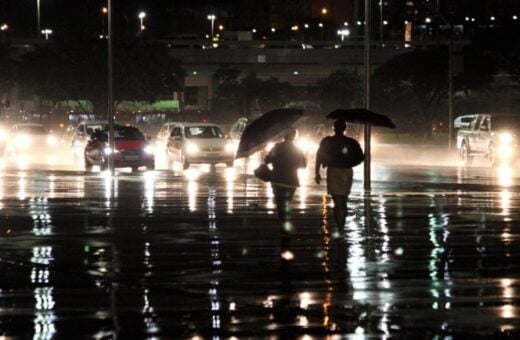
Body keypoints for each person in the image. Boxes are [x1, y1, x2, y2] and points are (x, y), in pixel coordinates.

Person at [315, 119, 364, 230]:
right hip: (347, 171)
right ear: (345, 129)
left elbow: (319, 156)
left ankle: (340, 224)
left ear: (334, 128)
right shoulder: (352, 142)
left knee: (337, 199)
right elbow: (361, 157)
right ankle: (342, 221)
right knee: (344, 198)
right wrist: (350, 162)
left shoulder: (327, 141)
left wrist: (317, 172)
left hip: (333, 170)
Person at [264, 128, 307, 224]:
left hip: (277, 179)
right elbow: (303, 165)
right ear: (294, 136)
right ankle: (286, 220)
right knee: (287, 201)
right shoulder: (297, 150)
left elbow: (267, 160)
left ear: (283, 135)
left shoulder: (277, 147)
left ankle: (283, 220)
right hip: (291, 180)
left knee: (280, 202)